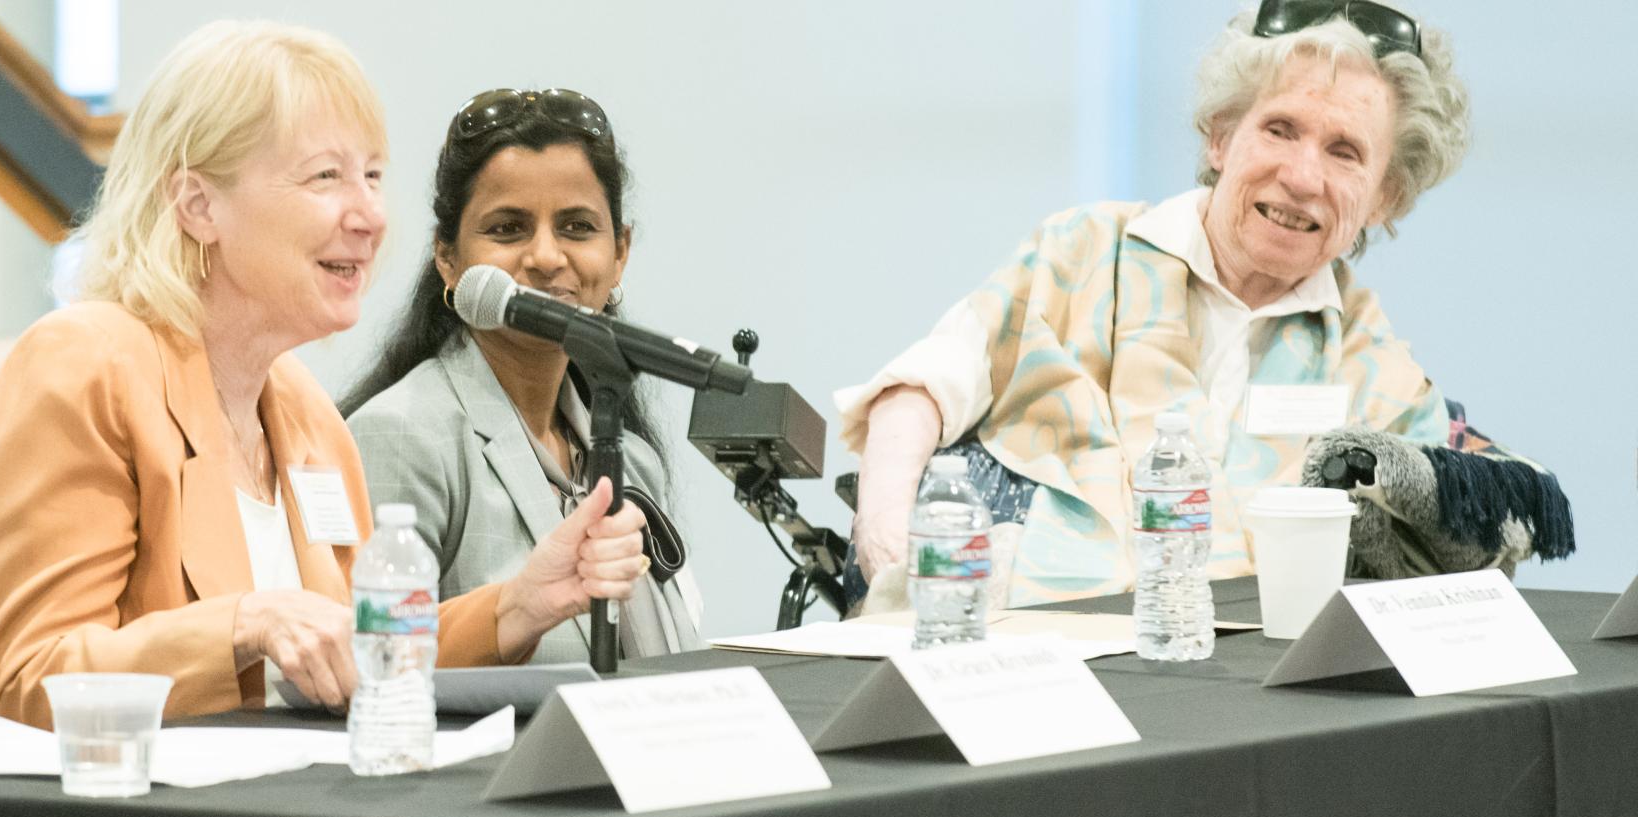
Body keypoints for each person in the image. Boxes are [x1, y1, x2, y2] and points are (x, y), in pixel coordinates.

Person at [0, 25, 650, 751]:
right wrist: (242, 625)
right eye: (327, 177)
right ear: (197, 205)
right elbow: (36, 683)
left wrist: (519, 604)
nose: (371, 217)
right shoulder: (82, 365)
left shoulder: (303, 412)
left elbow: (350, 650)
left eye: (373, 177)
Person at [837, 0, 1572, 613]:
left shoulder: (1370, 357)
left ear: (1385, 198)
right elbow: (922, 389)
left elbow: (1460, 529)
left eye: (1345, 151)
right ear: (1221, 137)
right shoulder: (1084, 252)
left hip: (1242, 689)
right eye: (1279, 129)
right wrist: (891, 555)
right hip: (1034, 637)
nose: (1301, 176)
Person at [342, 89, 703, 666]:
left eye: (577, 227)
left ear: (620, 254)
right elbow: (368, 663)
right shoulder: (401, 436)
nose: (544, 257)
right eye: (508, 229)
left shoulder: (633, 462)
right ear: (447, 258)